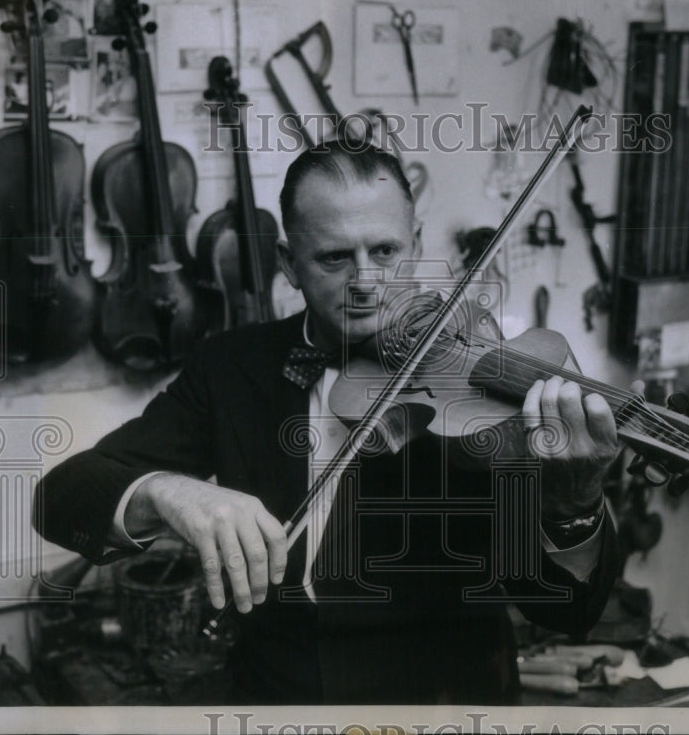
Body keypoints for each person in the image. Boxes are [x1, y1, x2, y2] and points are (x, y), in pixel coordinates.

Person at [33, 141, 622, 704]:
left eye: (385, 252)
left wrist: (574, 502)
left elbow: (569, 610)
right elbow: (58, 498)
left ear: (416, 246)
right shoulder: (232, 365)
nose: (365, 283)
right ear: (289, 264)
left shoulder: (479, 392)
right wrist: (164, 492)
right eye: (336, 258)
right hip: (274, 696)